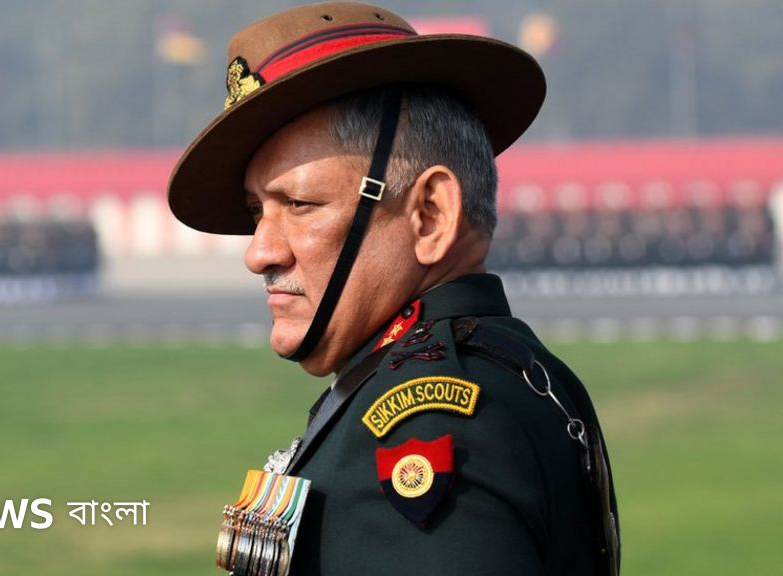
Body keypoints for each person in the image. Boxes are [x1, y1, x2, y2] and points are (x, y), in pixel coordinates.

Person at [167, 2, 620, 574]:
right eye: (258, 212)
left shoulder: (431, 424)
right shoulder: (505, 372)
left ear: (430, 215)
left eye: (300, 205)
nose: (259, 253)